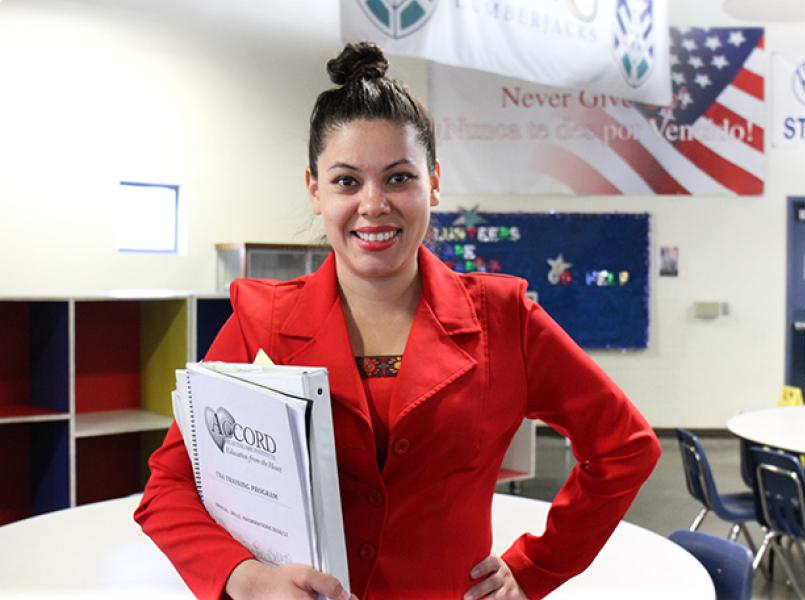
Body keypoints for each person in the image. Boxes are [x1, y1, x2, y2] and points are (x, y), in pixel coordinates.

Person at [135, 41, 661, 600]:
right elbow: (169, 486)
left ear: (433, 182)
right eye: (345, 181)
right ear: (314, 190)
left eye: (398, 178)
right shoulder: (259, 323)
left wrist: (535, 569)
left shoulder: (504, 320)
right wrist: (247, 578)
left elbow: (625, 447)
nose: (372, 204)